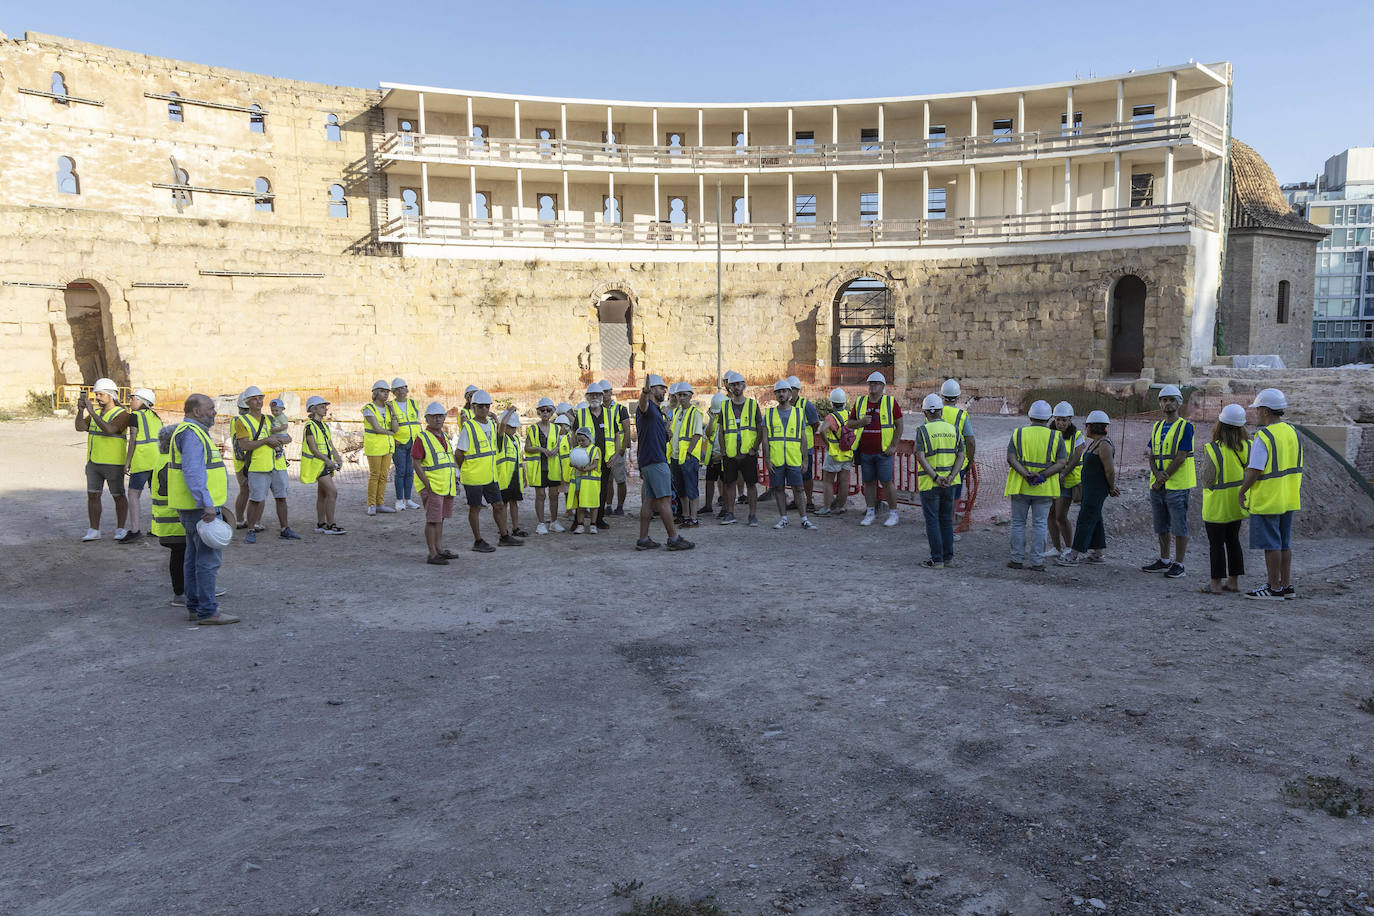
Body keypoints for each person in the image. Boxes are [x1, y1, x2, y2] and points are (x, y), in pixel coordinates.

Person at [167, 394, 238, 624]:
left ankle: (196, 607)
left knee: (193, 557)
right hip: (200, 509)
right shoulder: (193, 434)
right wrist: (207, 503)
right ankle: (208, 611)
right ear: (196, 411)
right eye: (210, 408)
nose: (214, 412)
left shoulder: (188, 432)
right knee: (207, 560)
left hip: (191, 507)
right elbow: (193, 472)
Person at [1239, 388, 1303, 600]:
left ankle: (1273, 588)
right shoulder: (1292, 431)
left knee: (1271, 545)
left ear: (1266, 410)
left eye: (1258, 409)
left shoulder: (1264, 436)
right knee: (1284, 543)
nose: (1256, 412)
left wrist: (1242, 491)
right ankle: (1286, 586)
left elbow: (1255, 470)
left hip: (1269, 498)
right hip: (1289, 495)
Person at [1005, 399, 1068, 571]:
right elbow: (1061, 462)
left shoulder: (1018, 433)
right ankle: (1037, 562)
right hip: (1044, 488)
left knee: (1018, 523)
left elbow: (1011, 459)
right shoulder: (1056, 436)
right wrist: (1041, 476)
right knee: (1040, 524)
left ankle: (1016, 559)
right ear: (1049, 418)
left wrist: (1026, 474)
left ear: (1030, 416)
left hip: (1020, 486)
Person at [455, 389, 520, 551]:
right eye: (480, 406)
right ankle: (478, 541)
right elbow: (459, 453)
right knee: (475, 508)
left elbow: (501, 430)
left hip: (490, 476)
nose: (484, 409)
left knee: (498, 505)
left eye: (486, 406)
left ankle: (504, 536)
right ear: (473, 407)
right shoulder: (468, 427)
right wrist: (465, 469)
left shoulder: (491, 424)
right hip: (473, 476)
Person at [1141, 384, 1195, 579]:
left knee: (1179, 525)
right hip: (1159, 484)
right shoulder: (1157, 427)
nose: (1168, 403)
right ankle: (1164, 560)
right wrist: (1157, 475)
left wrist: (1162, 477)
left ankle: (1179, 563)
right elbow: (1152, 454)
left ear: (1179, 403)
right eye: (1164, 400)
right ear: (1160, 404)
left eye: (1172, 400)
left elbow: (1181, 457)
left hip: (1177, 484)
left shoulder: (1186, 427)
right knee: (1161, 524)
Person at [635, 375, 694, 550]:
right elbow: (642, 402)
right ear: (652, 389)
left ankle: (643, 539)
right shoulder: (647, 407)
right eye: (662, 388)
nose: (665, 391)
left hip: (649, 460)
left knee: (649, 500)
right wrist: (644, 392)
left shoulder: (657, 412)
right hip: (655, 460)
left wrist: (666, 432)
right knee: (664, 500)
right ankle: (674, 539)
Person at [1197, 404, 1250, 594]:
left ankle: (1215, 584)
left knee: (1216, 545)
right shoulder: (1248, 446)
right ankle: (1233, 582)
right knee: (1233, 541)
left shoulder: (1213, 449)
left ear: (1219, 425)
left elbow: (1207, 479)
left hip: (1216, 508)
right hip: (1237, 505)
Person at [1058, 410, 1119, 566]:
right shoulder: (1096, 443)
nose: (1086, 429)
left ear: (1093, 426)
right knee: (1095, 518)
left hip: (1097, 489)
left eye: (1087, 426)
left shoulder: (1104, 445)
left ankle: (1074, 555)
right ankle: (1098, 553)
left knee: (1085, 518)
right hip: (1091, 488)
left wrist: (1112, 487)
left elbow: (1109, 470)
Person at [237, 388, 298, 543]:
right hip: (258, 466)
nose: (259, 401)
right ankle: (251, 530)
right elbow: (244, 446)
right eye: (255, 398)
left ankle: (285, 528)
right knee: (255, 499)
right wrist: (266, 441)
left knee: (281, 498)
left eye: (260, 398)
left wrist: (278, 441)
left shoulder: (270, 419)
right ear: (247, 402)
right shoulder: (242, 421)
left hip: (277, 465)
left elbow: (288, 438)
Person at [75, 377, 132, 542]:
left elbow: (109, 430)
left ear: (111, 395)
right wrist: (80, 411)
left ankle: (121, 529)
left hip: (113, 463)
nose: (97, 398)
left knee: (118, 495)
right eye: (96, 395)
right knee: (93, 496)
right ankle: (94, 530)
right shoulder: (97, 414)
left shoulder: (122, 414)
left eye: (100, 394)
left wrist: (91, 412)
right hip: (94, 462)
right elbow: (80, 427)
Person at [914, 393, 964, 568]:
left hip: (930, 483)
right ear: (941, 411)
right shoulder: (954, 430)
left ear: (925, 412)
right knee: (946, 520)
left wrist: (935, 477)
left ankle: (937, 560)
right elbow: (961, 456)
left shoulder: (923, 430)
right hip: (950, 483)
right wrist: (951, 476)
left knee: (933, 521)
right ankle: (948, 558)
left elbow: (920, 456)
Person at [848, 370, 903, 528]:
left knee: (887, 482)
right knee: (869, 483)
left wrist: (893, 445)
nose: (872, 386)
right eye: (871, 383)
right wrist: (861, 422)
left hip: (884, 452)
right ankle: (870, 512)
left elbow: (899, 424)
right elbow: (849, 423)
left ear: (883, 386)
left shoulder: (890, 402)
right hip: (865, 451)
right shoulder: (860, 402)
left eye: (876, 383)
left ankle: (893, 513)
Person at [712, 370, 763, 526]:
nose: (736, 387)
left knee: (751, 485)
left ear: (744, 385)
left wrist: (755, 448)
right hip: (731, 453)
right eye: (733, 385)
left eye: (739, 384)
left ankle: (752, 515)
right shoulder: (725, 406)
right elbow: (721, 431)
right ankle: (730, 513)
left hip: (748, 452)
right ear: (729, 387)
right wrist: (724, 451)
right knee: (729, 484)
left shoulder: (753, 404)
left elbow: (760, 428)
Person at [757, 379, 809, 530]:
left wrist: (805, 460)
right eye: (778, 392)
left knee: (798, 489)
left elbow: (803, 439)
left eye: (784, 391)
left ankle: (804, 519)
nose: (781, 394)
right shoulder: (770, 414)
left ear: (790, 393)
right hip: (777, 459)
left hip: (794, 459)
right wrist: (767, 460)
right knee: (779, 489)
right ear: (775, 395)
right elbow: (765, 440)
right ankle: (783, 518)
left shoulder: (799, 413)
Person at [412, 400, 458, 565]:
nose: (438, 419)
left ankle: (439, 549)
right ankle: (432, 553)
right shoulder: (422, 438)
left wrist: (455, 481)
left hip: (445, 485)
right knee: (432, 520)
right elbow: (416, 462)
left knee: (440, 519)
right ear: (427, 419)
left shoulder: (444, 436)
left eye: (440, 416)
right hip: (432, 486)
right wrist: (426, 483)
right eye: (434, 417)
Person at [575, 384, 622, 532]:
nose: (595, 397)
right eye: (592, 395)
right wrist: (575, 455)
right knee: (580, 490)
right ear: (587, 397)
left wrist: (615, 455)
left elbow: (616, 436)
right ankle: (579, 521)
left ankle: (598, 519)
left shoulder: (609, 414)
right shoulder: (581, 414)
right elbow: (573, 436)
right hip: (584, 460)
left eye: (598, 395)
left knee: (601, 490)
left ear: (602, 397)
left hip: (604, 461)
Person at [121, 387, 162, 543]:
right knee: (157, 496)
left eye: (133, 398)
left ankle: (135, 530)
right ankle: (158, 529)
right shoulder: (156, 417)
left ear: (142, 401)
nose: (130, 401)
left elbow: (133, 440)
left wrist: (127, 462)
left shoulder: (135, 416)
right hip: (157, 460)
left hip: (142, 459)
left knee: (133, 495)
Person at [301, 395, 345, 535]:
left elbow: (329, 444)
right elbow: (313, 449)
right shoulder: (309, 426)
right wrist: (328, 461)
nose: (325, 409)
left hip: (324, 464)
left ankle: (321, 524)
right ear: (313, 409)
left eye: (325, 406)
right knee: (332, 492)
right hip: (318, 465)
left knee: (323, 495)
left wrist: (337, 458)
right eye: (322, 407)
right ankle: (331, 525)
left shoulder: (324, 425)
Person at [1047, 401, 1085, 561]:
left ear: (1070, 420)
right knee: (1051, 516)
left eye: (1064, 420)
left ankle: (1069, 547)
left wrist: (1063, 473)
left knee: (1060, 516)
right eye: (1058, 420)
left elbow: (1076, 457)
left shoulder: (1077, 435)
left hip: (1068, 481)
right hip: (1054, 479)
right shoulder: (1050, 434)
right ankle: (1057, 547)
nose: (1061, 423)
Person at [526, 397, 565, 534]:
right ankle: (541, 523)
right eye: (542, 410)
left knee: (554, 494)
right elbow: (527, 448)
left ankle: (554, 522)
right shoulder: (532, 429)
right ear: (538, 412)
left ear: (552, 412)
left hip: (553, 467)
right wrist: (541, 449)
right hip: (539, 467)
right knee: (540, 495)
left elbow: (562, 444)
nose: (545, 413)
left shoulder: (557, 429)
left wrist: (557, 449)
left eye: (548, 410)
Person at [815, 387, 856, 517]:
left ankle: (826, 507)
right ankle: (840, 507)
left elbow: (821, 430)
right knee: (844, 481)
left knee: (828, 481)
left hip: (834, 453)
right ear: (844, 402)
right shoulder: (849, 415)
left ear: (832, 402)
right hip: (847, 453)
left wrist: (827, 444)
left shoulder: (830, 418)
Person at [940, 379, 975, 530]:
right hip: (957, 464)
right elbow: (970, 441)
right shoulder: (961, 415)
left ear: (942, 395)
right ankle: (947, 527)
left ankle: (936, 526)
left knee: (937, 496)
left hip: (937, 462)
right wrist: (970, 459)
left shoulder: (933, 411)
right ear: (958, 396)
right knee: (953, 497)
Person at [670, 382, 705, 528]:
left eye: (684, 395)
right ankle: (685, 515)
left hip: (688, 456)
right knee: (681, 489)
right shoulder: (677, 413)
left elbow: (697, 434)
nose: (682, 398)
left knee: (691, 488)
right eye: (679, 395)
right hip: (677, 456)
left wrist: (690, 453)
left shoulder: (695, 413)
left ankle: (694, 518)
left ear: (690, 396)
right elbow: (672, 433)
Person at [363, 379, 399, 516]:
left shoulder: (388, 409)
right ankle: (372, 504)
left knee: (383, 476)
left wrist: (393, 411)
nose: (386, 395)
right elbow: (377, 428)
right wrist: (390, 433)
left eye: (387, 392)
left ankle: (380, 503)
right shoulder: (369, 409)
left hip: (387, 446)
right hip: (374, 447)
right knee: (374, 475)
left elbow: (395, 428)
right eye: (383, 392)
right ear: (376, 393)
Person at [389, 378, 423, 512]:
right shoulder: (391, 406)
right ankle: (399, 500)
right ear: (394, 392)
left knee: (410, 472)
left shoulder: (413, 404)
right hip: (399, 443)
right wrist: (393, 440)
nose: (401, 391)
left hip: (413, 442)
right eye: (398, 389)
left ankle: (408, 499)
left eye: (403, 388)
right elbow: (387, 425)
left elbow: (417, 422)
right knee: (400, 471)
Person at [599, 380, 633, 516]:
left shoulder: (620, 409)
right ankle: (608, 505)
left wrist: (622, 450)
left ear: (611, 392)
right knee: (607, 481)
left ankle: (620, 506)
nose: (604, 395)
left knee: (620, 480)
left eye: (606, 392)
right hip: (605, 451)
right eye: (601, 393)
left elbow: (627, 431)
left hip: (617, 450)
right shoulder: (598, 410)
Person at [496, 409, 529, 538]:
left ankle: (516, 528)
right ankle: (503, 530)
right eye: (511, 426)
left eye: (515, 426)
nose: (514, 429)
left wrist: (524, 475)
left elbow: (520, 458)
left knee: (514, 503)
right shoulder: (500, 438)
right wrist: (510, 411)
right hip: (504, 478)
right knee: (503, 505)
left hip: (515, 477)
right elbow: (501, 425)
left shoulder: (516, 439)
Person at [569, 427, 602, 534]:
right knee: (580, 504)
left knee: (593, 504)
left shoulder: (594, 449)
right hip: (579, 481)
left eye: (583, 440)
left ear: (589, 438)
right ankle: (580, 524)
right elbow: (572, 462)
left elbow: (595, 464)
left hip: (591, 483)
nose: (581, 442)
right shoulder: (577, 450)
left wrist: (584, 469)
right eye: (579, 440)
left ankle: (593, 524)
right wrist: (573, 464)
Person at [231, 390, 253, 529]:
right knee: (247, 491)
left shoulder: (239, 420)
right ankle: (242, 520)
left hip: (246, 462)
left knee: (246, 491)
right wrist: (246, 465)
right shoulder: (240, 421)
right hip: (245, 463)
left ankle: (242, 519)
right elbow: (238, 446)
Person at [703, 393, 725, 518]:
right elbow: (708, 434)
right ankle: (708, 505)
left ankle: (726, 508)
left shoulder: (729, 421)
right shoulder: (715, 419)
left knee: (726, 483)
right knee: (709, 481)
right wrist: (711, 419)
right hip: (712, 457)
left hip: (723, 457)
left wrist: (722, 456)